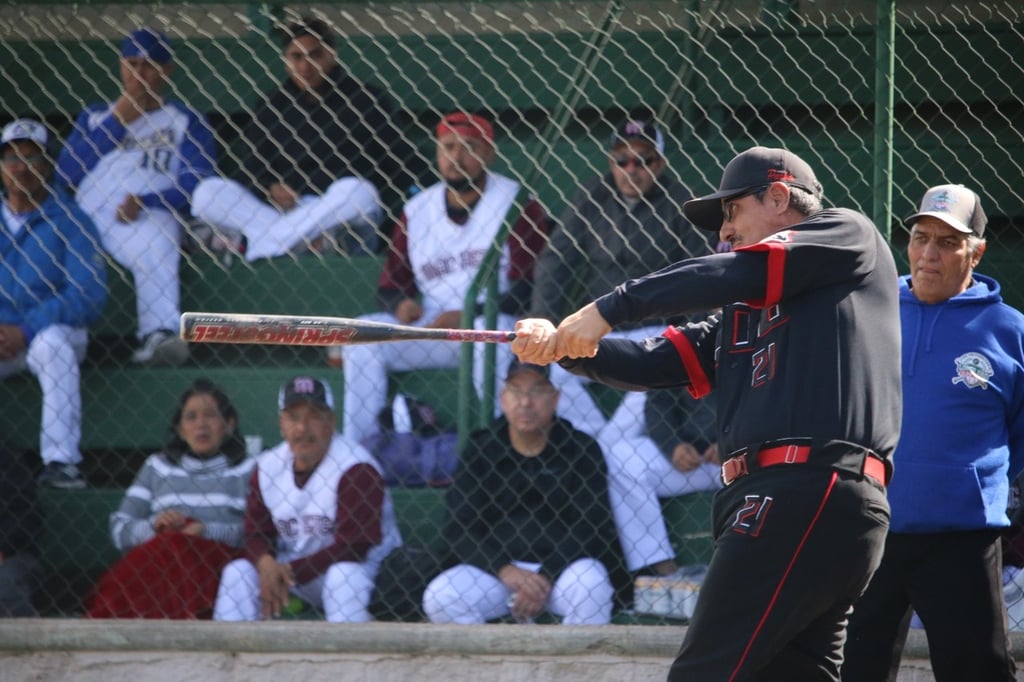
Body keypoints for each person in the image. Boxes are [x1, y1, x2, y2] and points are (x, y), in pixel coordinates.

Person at [512, 146, 899, 680]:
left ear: (780, 195)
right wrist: (564, 348)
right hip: (795, 501)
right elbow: (659, 358)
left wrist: (609, 307)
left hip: (806, 489)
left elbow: (724, 273)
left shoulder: (845, 234)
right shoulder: (746, 308)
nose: (724, 231)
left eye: (733, 211)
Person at [843, 185, 1023, 681]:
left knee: (977, 672)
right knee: (852, 668)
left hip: (961, 537)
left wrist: (965, 482)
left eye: (947, 242)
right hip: (868, 528)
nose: (928, 254)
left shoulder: (1010, 332)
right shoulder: (868, 314)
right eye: (921, 238)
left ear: (976, 251)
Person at [338, 112, 550, 445]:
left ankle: (504, 443)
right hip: (434, 325)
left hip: (494, 323)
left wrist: (473, 313)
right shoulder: (417, 210)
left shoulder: (516, 201)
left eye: (469, 147)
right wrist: (401, 304)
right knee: (362, 341)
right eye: (448, 147)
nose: (457, 157)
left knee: (485, 339)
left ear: (489, 153)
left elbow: (527, 289)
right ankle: (361, 449)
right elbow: (391, 285)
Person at [529, 117, 712, 435]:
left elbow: (699, 271)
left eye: (643, 160)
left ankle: (606, 446)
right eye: (622, 160)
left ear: (660, 164)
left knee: (655, 379)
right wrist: (543, 318)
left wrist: (690, 330)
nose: (632, 169)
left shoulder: (681, 201)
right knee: (555, 372)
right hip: (597, 324)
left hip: (656, 327)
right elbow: (556, 260)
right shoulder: (592, 196)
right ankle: (597, 439)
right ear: (611, 163)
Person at [191, 17, 423, 259]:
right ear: (285, 60)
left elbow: (401, 162)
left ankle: (261, 243)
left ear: (331, 55)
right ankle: (293, 243)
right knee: (206, 193)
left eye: (314, 56)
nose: (305, 67)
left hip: (334, 211)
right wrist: (269, 187)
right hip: (282, 212)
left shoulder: (366, 100)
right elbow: (251, 168)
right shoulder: (272, 105)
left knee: (359, 192)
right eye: (296, 57)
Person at [56, 27, 216, 366]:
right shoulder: (96, 116)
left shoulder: (185, 120)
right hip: (86, 211)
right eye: (131, 64)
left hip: (141, 210)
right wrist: (116, 123)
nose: (139, 73)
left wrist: (149, 201)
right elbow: (65, 173)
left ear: (166, 69)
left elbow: (197, 181)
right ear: (120, 67)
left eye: (149, 65)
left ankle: (158, 334)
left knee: (158, 234)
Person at [422, 360, 618, 625]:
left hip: (561, 573)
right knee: (440, 597)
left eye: (536, 391)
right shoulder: (482, 449)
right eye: (516, 391)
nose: (525, 402)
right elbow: (459, 527)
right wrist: (504, 570)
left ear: (555, 398)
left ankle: (570, 666)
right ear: (503, 399)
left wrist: (545, 576)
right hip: (498, 573)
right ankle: (492, 662)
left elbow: (592, 527)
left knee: (593, 587)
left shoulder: (581, 449)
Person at [213, 375, 402, 622]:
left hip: (364, 573)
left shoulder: (356, 467)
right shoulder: (268, 466)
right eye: (293, 417)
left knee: (343, 577)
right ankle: (232, 655)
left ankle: (350, 658)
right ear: (281, 424)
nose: (302, 428)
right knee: (238, 573)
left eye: (314, 415)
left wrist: (288, 572)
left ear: (331, 422)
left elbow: (355, 546)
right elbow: (255, 531)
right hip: (294, 574)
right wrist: (266, 563)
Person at [86, 378, 254, 619]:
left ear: (229, 424)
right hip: (162, 570)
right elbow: (119, 529)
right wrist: (155, 527)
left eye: (211, 416)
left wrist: (205, 532)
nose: (201, 425)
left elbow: (256, 532)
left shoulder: (248, 469)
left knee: (177, 545)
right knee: (171, 544)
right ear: (179, 429)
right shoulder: (157, 467)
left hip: (217, 568)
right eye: (191, 417)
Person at [0, 118, 108, 489]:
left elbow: (88, 295)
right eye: (11, 158)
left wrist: (27, 328)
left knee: (53, 346)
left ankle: (62, 463)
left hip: (49, 331)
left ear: (47, 165)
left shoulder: (72, 220)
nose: (20, 168)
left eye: (31, 158)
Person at [598, 388, 721, 578]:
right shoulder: (677, 356)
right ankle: (662, 569)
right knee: (621, 457)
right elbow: (658, 401)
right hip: (694, 457)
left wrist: (735, 441)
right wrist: (673, 446)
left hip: (747, 455)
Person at [0, 442, 45, 616]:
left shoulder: (5, 456)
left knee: (5, 584)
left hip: (10, 555)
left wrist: (3, 546)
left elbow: (28, 516)